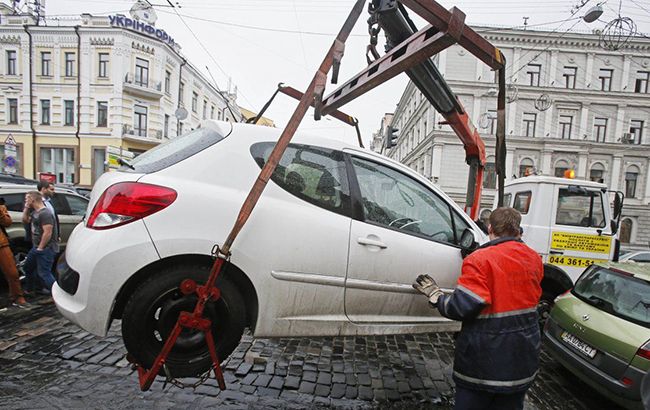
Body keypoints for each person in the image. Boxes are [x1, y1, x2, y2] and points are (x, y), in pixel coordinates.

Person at [413, 207, 543, 410]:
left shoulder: (480, 259)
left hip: (485, 363)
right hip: (522, 359)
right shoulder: (534, 258)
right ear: (519, 231)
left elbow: (462, 306)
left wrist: (437, 297)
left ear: (490, 228)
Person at [21, 191, 59, 295]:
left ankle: (57, 293)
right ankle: (31, 289)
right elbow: (25, 220)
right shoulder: (35, 213)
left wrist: (41, 248)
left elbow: (48, 232)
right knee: (28, 267)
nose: (25, 201)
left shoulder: (45, 213)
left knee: (44, 272)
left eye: (27, 199)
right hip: (36, 247)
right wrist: (26, 208)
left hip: (46, 248)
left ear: (32, 200)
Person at [0, 199, 27, 306]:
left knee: (12, 272)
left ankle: (17, 297)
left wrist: (1, 212)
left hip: (2, 243)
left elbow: (7, 222)